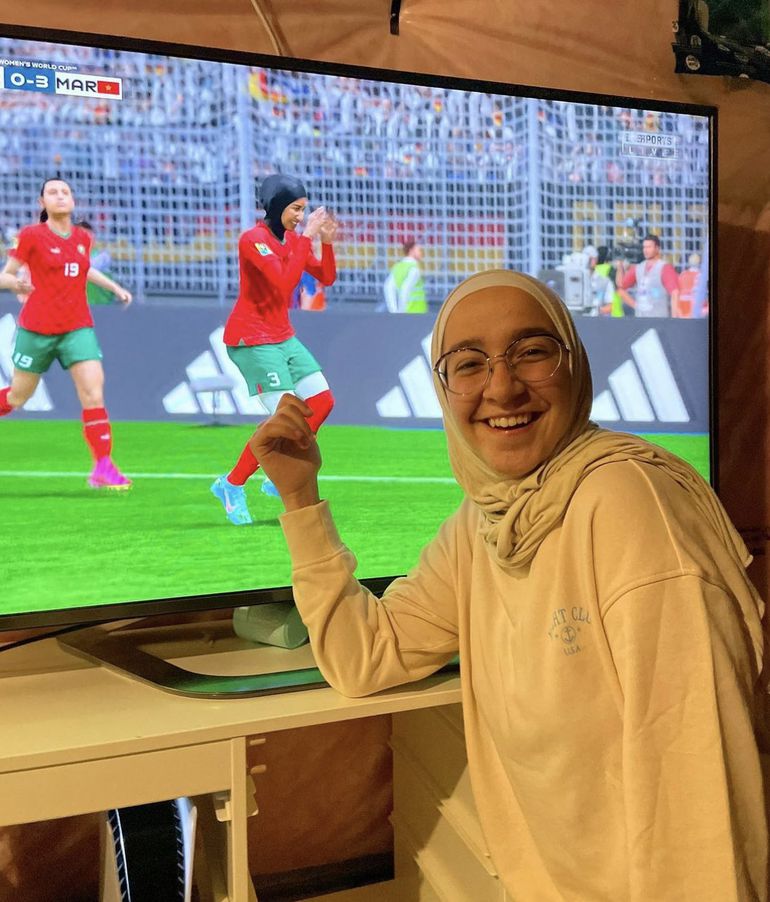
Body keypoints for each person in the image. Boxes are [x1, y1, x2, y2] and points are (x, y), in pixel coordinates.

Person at [249, 269, 768, 900]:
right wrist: (300, 497)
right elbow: (365, 656)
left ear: (574, 365)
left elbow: (700, 810)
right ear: (443, 388)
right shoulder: (487, 519)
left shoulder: (631, 508)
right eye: (469, 364)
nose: (501, 387)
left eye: (532, 352)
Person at [211, 173, 337, 526]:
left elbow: (326, 277)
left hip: (282, 336)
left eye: (303, 209)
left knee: (322, 402)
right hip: (252, 340)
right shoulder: (253, 240)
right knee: (287, 417)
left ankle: (270, 472)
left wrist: (326, 243)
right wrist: (307, 237)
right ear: (277, 205)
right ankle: (233, 484)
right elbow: (283, 284)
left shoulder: (291, 240)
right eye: (295, 208)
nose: (300, 216)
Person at [0, 177, 133, 489]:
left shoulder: (83, 238)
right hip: (37, 329)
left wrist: (114, 287)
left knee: (93, 393)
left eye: (65, 192)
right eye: (52, 192)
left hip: (77, 327)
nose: (60, 196)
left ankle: (103, 467)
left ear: (72, 201)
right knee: (18, 396)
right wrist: (17, 283)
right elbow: (5, 275)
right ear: (42, 203)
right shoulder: (31, 236)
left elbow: (83, 268)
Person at [616, 233, 679, 317]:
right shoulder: (638, 268)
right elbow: (620, 287)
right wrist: (620, 267)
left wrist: (675, 319)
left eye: (649, 247)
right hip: (641, 319)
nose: (646, 250)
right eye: (644, 247)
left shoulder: (665, 268)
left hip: (659, 318)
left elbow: (675, 293)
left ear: (657, 248)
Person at [383, 238, 426, 313]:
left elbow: (388, 288)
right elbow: (405, 290)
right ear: (411, 251)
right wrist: (401, 313)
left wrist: (394, 311)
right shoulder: (414, 269)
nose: (421, 253)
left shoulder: (397, 267)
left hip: (406, 313)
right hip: (416, 311)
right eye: (418, 250)